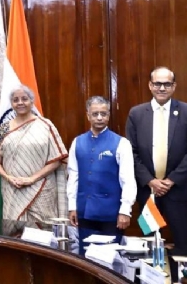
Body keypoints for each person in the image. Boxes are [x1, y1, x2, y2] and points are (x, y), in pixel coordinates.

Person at [126, 67, 187, 256]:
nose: (162, 88)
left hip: (179, 190)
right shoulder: (136, 113)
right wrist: (150, 181)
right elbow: (131, 152)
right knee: (149, 246)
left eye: (167, 84)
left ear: (174, 86)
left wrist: (170, 181)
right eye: (157, 84)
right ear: (150, 85)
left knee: (183, 246)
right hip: (148, 192)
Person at [66, 96, 137, 255]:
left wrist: (125, 210)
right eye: (95, 114)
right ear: (88, 115)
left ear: (108, 115)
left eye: (103, 114)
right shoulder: (77, 142)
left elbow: (128, 180)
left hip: (111, 214)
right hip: (84, 211)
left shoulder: (121, 143)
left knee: (109, 259)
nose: (99, 118)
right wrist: (72, 207)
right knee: (85, 258)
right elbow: (73, 176)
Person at [0, 85, 69, 224]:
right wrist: (8, 177)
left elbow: (57, 159)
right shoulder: (4, 128)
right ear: (11, 104)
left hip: (41, 189)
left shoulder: (46, 125)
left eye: (24, 99)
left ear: (32, 101)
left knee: (44, 232)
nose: (20, 103)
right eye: (16, 100)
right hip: (13, 190)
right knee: (15, 231)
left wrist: (31, 179)